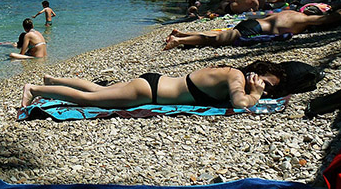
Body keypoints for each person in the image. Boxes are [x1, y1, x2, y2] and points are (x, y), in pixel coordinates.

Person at [21, 60, 285, 109]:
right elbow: (240, 104)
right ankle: (35, 89)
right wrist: (255, 94)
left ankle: (51, 80)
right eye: (267, 83)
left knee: (97, 89)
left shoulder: (231, 73)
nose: (267, 89)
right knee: (88, 100)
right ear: (257, 73)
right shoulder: (236, 78)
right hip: (149, 92)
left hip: (152, 84)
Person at [164, 8, 341, 50]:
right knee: (217, 40)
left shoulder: (291, 11)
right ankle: (178, 40)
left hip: (252, 23)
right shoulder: (304, 19)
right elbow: (328, 19)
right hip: (256, 29)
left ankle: (182, 33)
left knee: (220, 33)